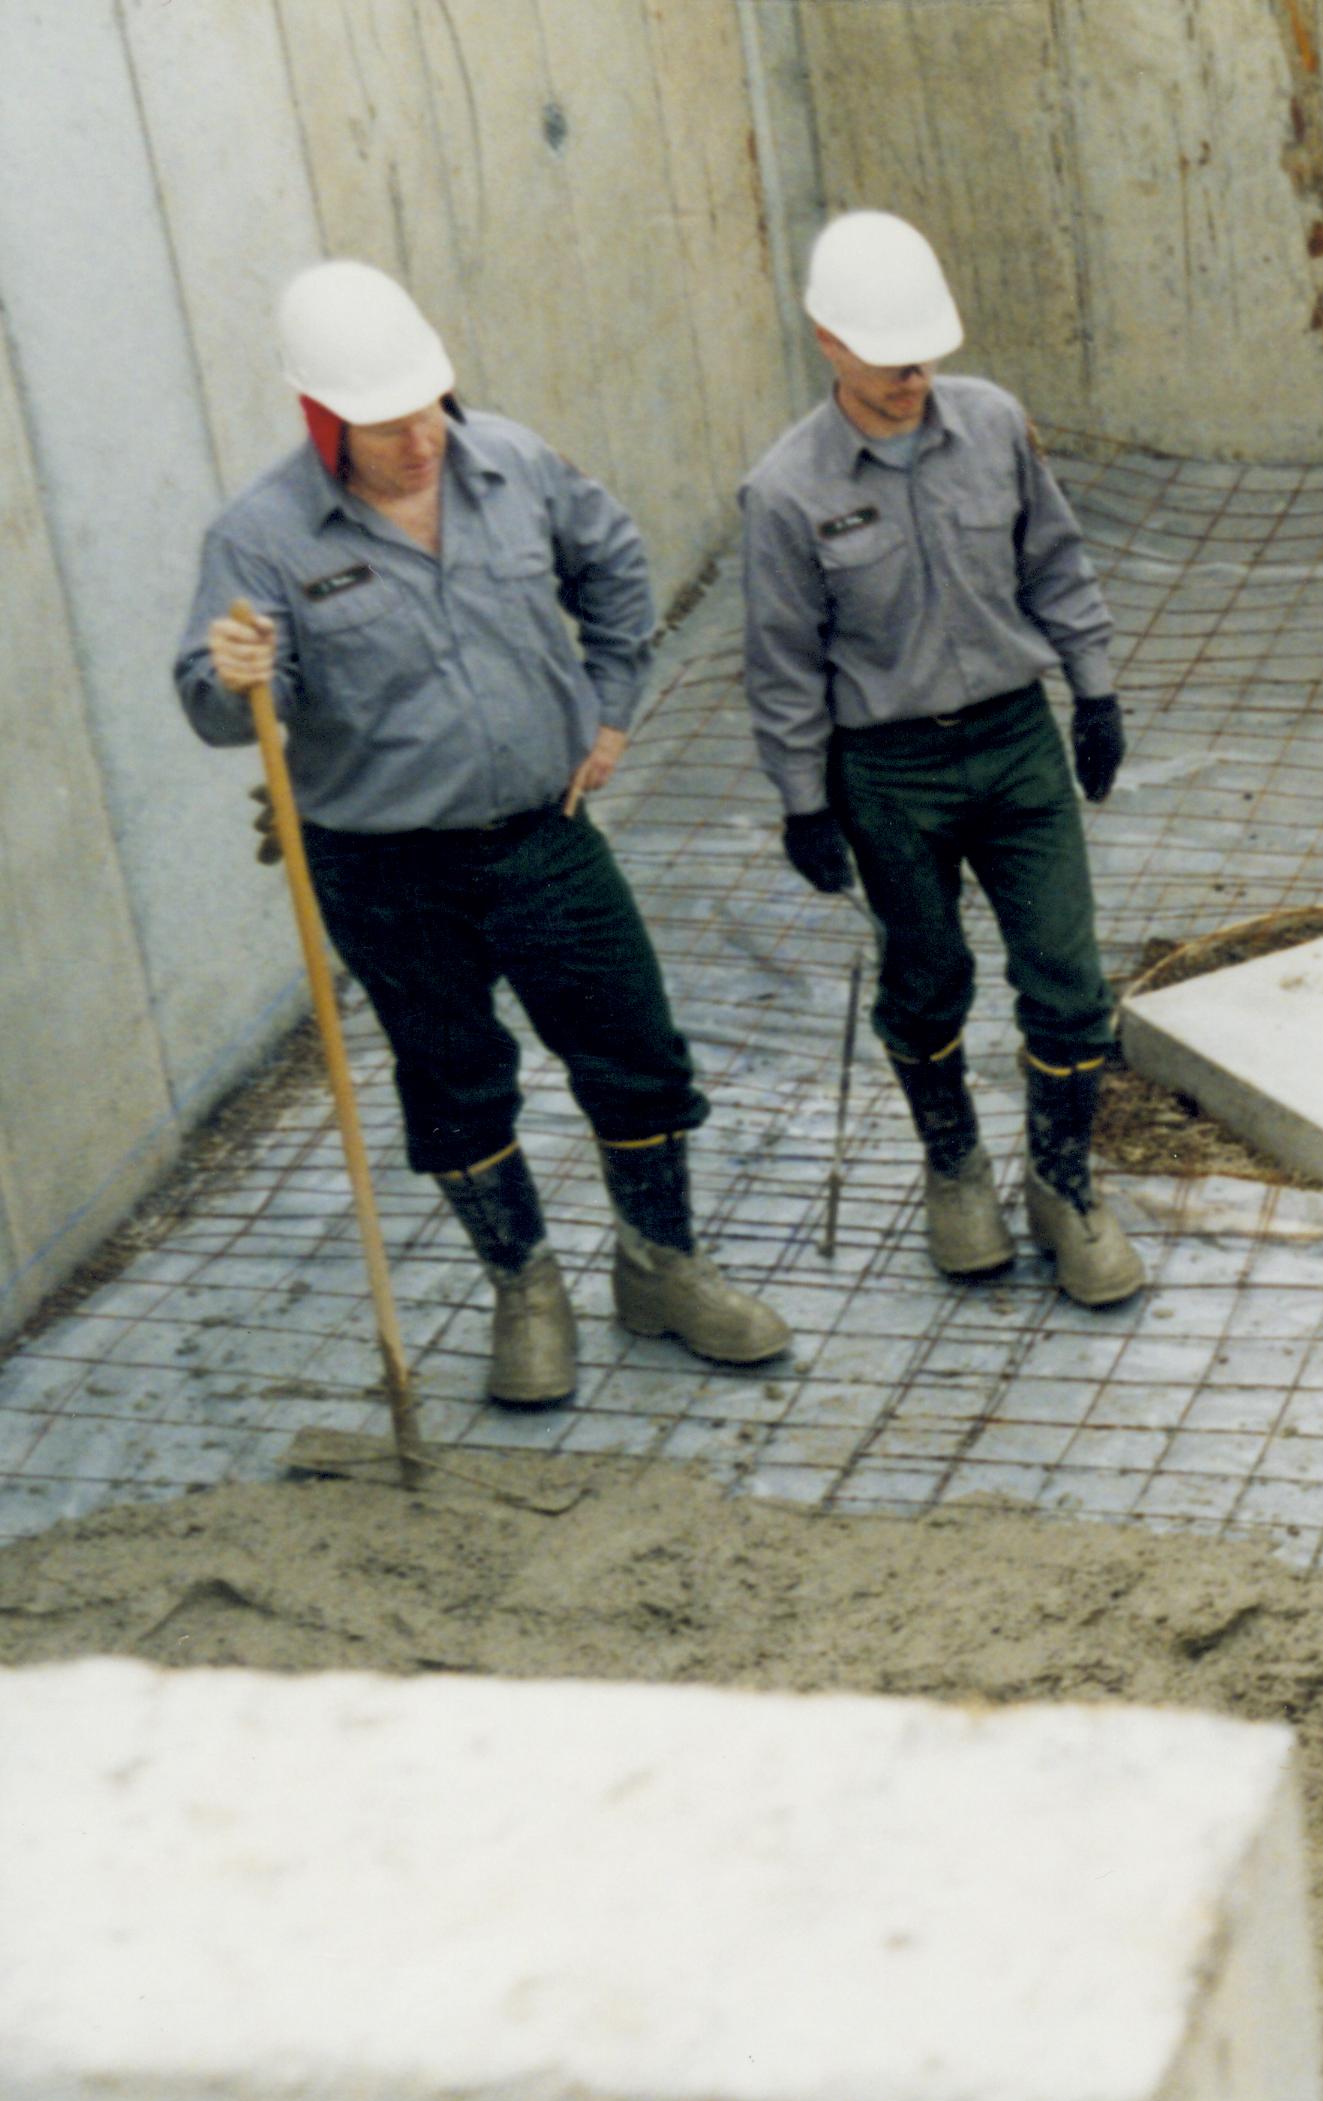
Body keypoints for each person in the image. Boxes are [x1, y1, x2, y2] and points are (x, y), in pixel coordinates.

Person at [174, 260, 787, 1407]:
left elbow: (611, 564)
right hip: (384, 865)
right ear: (324, 421)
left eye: (430, 409)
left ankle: (660, 1266)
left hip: (542, 835)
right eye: (388, 426)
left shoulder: (513, 462)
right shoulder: (259, 540)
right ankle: (525, 1289)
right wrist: (230, 674)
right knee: (453, 1079)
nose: (423, 441)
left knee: (637, 1053)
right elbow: (217, 711)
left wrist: (610, 704)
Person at [739, 209, 1143, 1307]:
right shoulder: (785, 493)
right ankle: (955, 1169)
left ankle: (1064, 1186)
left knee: (1067, 980)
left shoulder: (995, 425)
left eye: (926, 352)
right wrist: (803, 803)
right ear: (828, 340)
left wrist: (1093, 690)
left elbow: (1054, 562)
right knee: (926, 985)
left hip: (1014, 748)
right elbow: (782, 666)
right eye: (887, 355)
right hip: (889, 773)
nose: (913, 374)